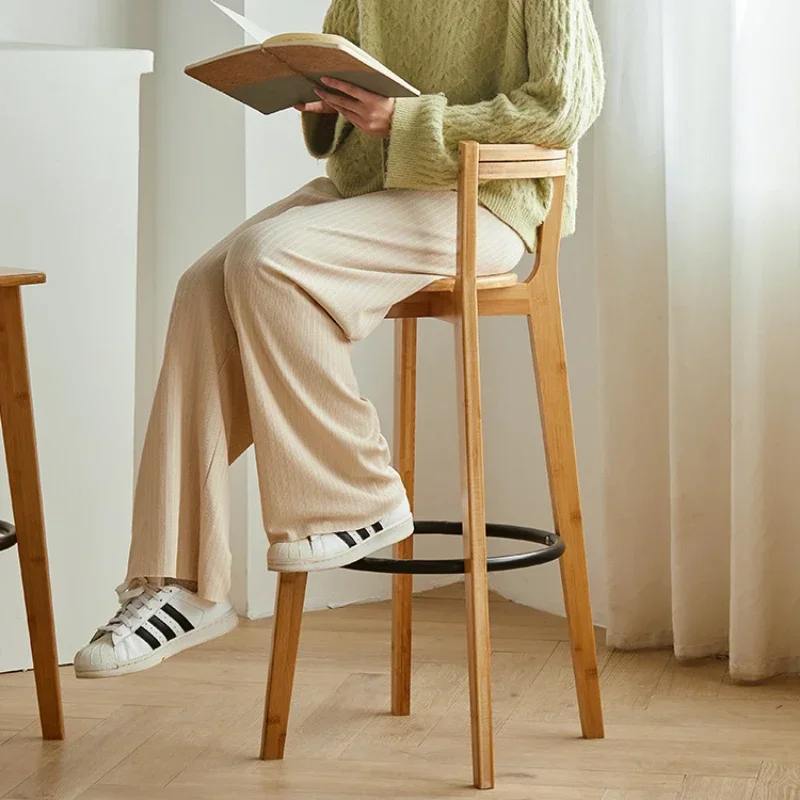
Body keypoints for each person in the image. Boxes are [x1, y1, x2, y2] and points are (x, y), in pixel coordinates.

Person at [74, 0, 605, 677]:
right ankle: (183, 581)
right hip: (374, 194)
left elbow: (565, 105)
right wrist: (321, 105)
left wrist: (409, 122)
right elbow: (352, 115)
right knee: (201, 285)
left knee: (269, 259)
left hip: (486, 200)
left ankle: (357, 498)